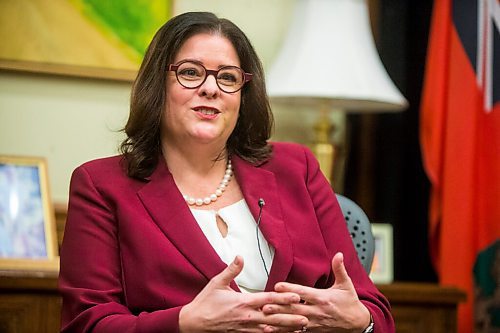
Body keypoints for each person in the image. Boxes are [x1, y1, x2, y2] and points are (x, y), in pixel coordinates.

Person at [58, 11, 394, 333]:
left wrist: (359, 321)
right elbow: (87, 323)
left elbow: (373, 311)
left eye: (228, 77)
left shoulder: (297, 169)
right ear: (157, 87)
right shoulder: (101, 185)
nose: (211, 88)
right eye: (190, 72)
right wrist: (184, 324)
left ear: (242, 97)